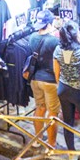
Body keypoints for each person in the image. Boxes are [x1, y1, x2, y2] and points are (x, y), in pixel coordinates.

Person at [53, 23, 80, 160]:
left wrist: (62, 84)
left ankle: (72, 155)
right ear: (75, 35)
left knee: (68, 122)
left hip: (63, 89)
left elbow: (56, 73)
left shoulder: (57, 50)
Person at [27, 10, 61, 147]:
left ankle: (38, 139)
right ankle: (51, 143)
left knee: (39, 107)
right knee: (52, 112)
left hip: (35, 79)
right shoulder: (54, 41)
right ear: (49, 23)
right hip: (50, 80)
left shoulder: (32, 37)